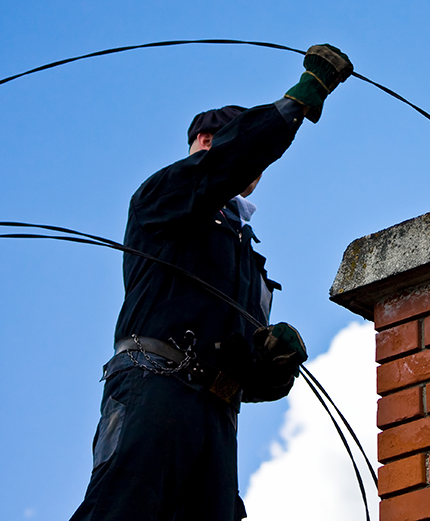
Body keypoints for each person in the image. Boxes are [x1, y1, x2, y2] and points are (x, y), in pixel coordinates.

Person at [69, 44, 353, 521]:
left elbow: (248, 379)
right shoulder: (165, 196)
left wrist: (275, 363)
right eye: (246, 150)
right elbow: (224, 166)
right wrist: (299, 101)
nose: (255, 169)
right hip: (154, 391)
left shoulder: (250, 262)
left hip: (217, 418)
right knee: (123, 509)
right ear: (204, 142)